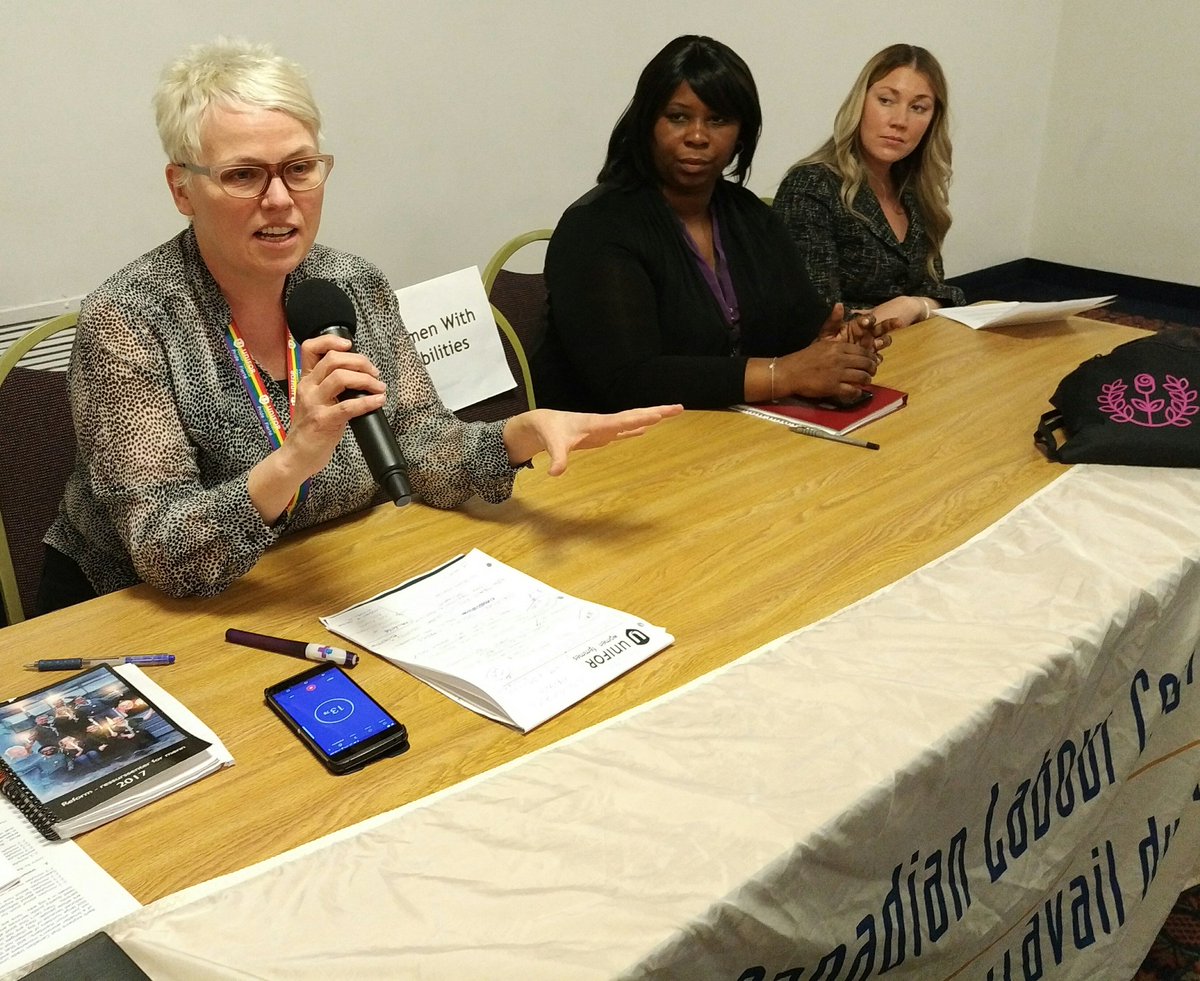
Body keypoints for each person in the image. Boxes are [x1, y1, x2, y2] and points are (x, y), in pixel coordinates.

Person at [39, 38, 680, 611]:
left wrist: (519, 434)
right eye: (243, 175)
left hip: (329, 573)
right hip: (141, 612)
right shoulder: (128, 321)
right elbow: (163, 548)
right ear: (182, 190)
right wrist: (294, 458)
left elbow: (418, 444)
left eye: (299, 167)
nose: (281, 199)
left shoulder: (350, 285)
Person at [531, 35, 891, 413]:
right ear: (647, 124)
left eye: (718, 119)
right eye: (678, 117)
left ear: (741, 135)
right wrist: (782, 374)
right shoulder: (596, 227)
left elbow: (798, 327)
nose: (698, 137)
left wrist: (836, 352)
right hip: (613, 450)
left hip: (728, 436)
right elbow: (628, 381)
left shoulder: (751, 217)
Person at [773, 44, 966, 328]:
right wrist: (912, 308)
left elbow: (943, 293)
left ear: (932, 120)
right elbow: (818, 319)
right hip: (835, 364)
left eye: (918, 108)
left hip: (910, 353)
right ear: (860, 103)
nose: (900, 121)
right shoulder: (811, 186)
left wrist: (913, 305)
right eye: (886, 100)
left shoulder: (914, 190)